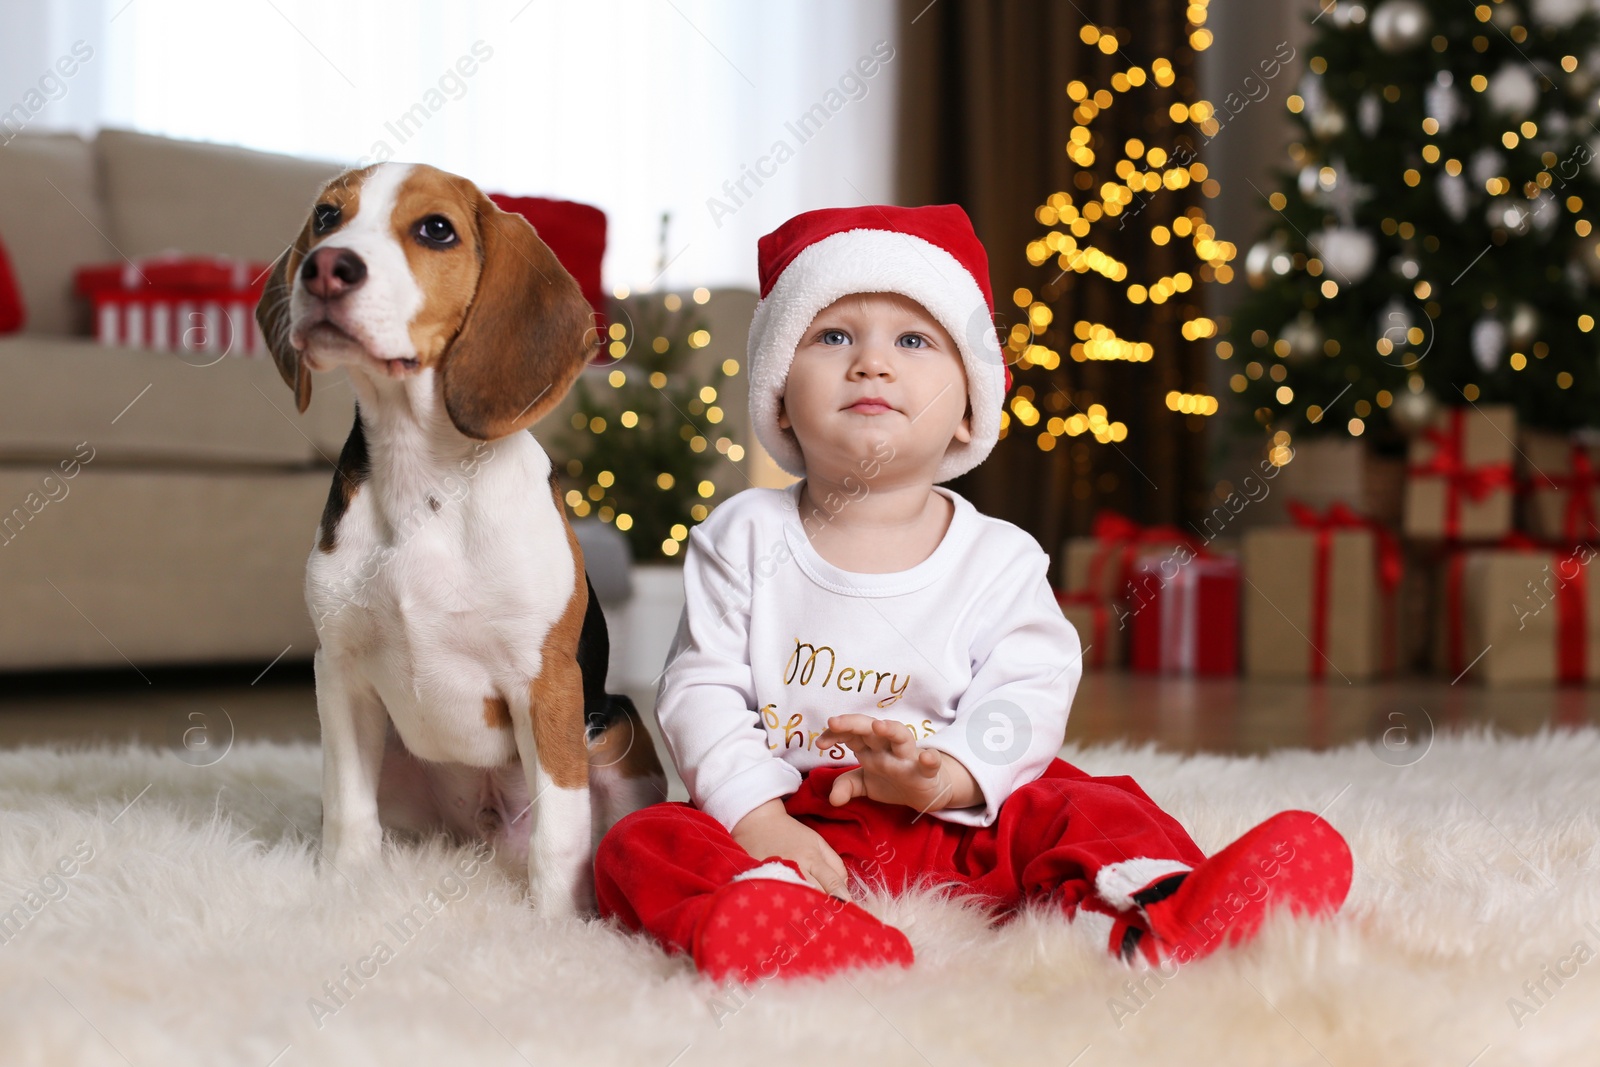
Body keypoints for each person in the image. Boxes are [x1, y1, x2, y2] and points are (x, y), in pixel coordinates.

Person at [593, 204, 1352, 984]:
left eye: (913, 340)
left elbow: (1028, 686)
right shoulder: (744, 534)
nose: (872, 364)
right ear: (780, 396)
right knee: (639, 841)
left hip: (958, 812)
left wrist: (950, 772)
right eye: (833, 336)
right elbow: (700, 686)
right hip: (797, 815)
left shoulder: (999, 556)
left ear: (968, 410)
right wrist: (756, 817)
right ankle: (780, 913)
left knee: (1087, 801)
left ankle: (1150, 907)